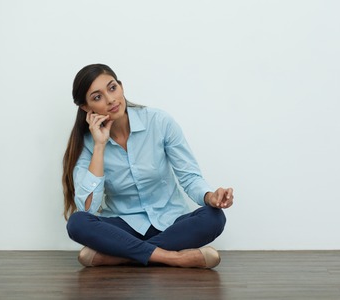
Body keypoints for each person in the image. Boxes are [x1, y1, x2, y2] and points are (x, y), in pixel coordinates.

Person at [62, 64, 234, 268]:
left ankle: (120, 256)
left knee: (214, 217)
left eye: (112, 88)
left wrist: (210, 196)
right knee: (78, 223)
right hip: (124, 227)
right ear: (86, 108)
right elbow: (88, 209)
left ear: (121, 86)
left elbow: (189, 177)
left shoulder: (159, 122)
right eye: (97, 97)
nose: (110, 99)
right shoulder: (88, 143)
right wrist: (100, 145)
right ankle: (174, 258)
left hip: (171, 223)